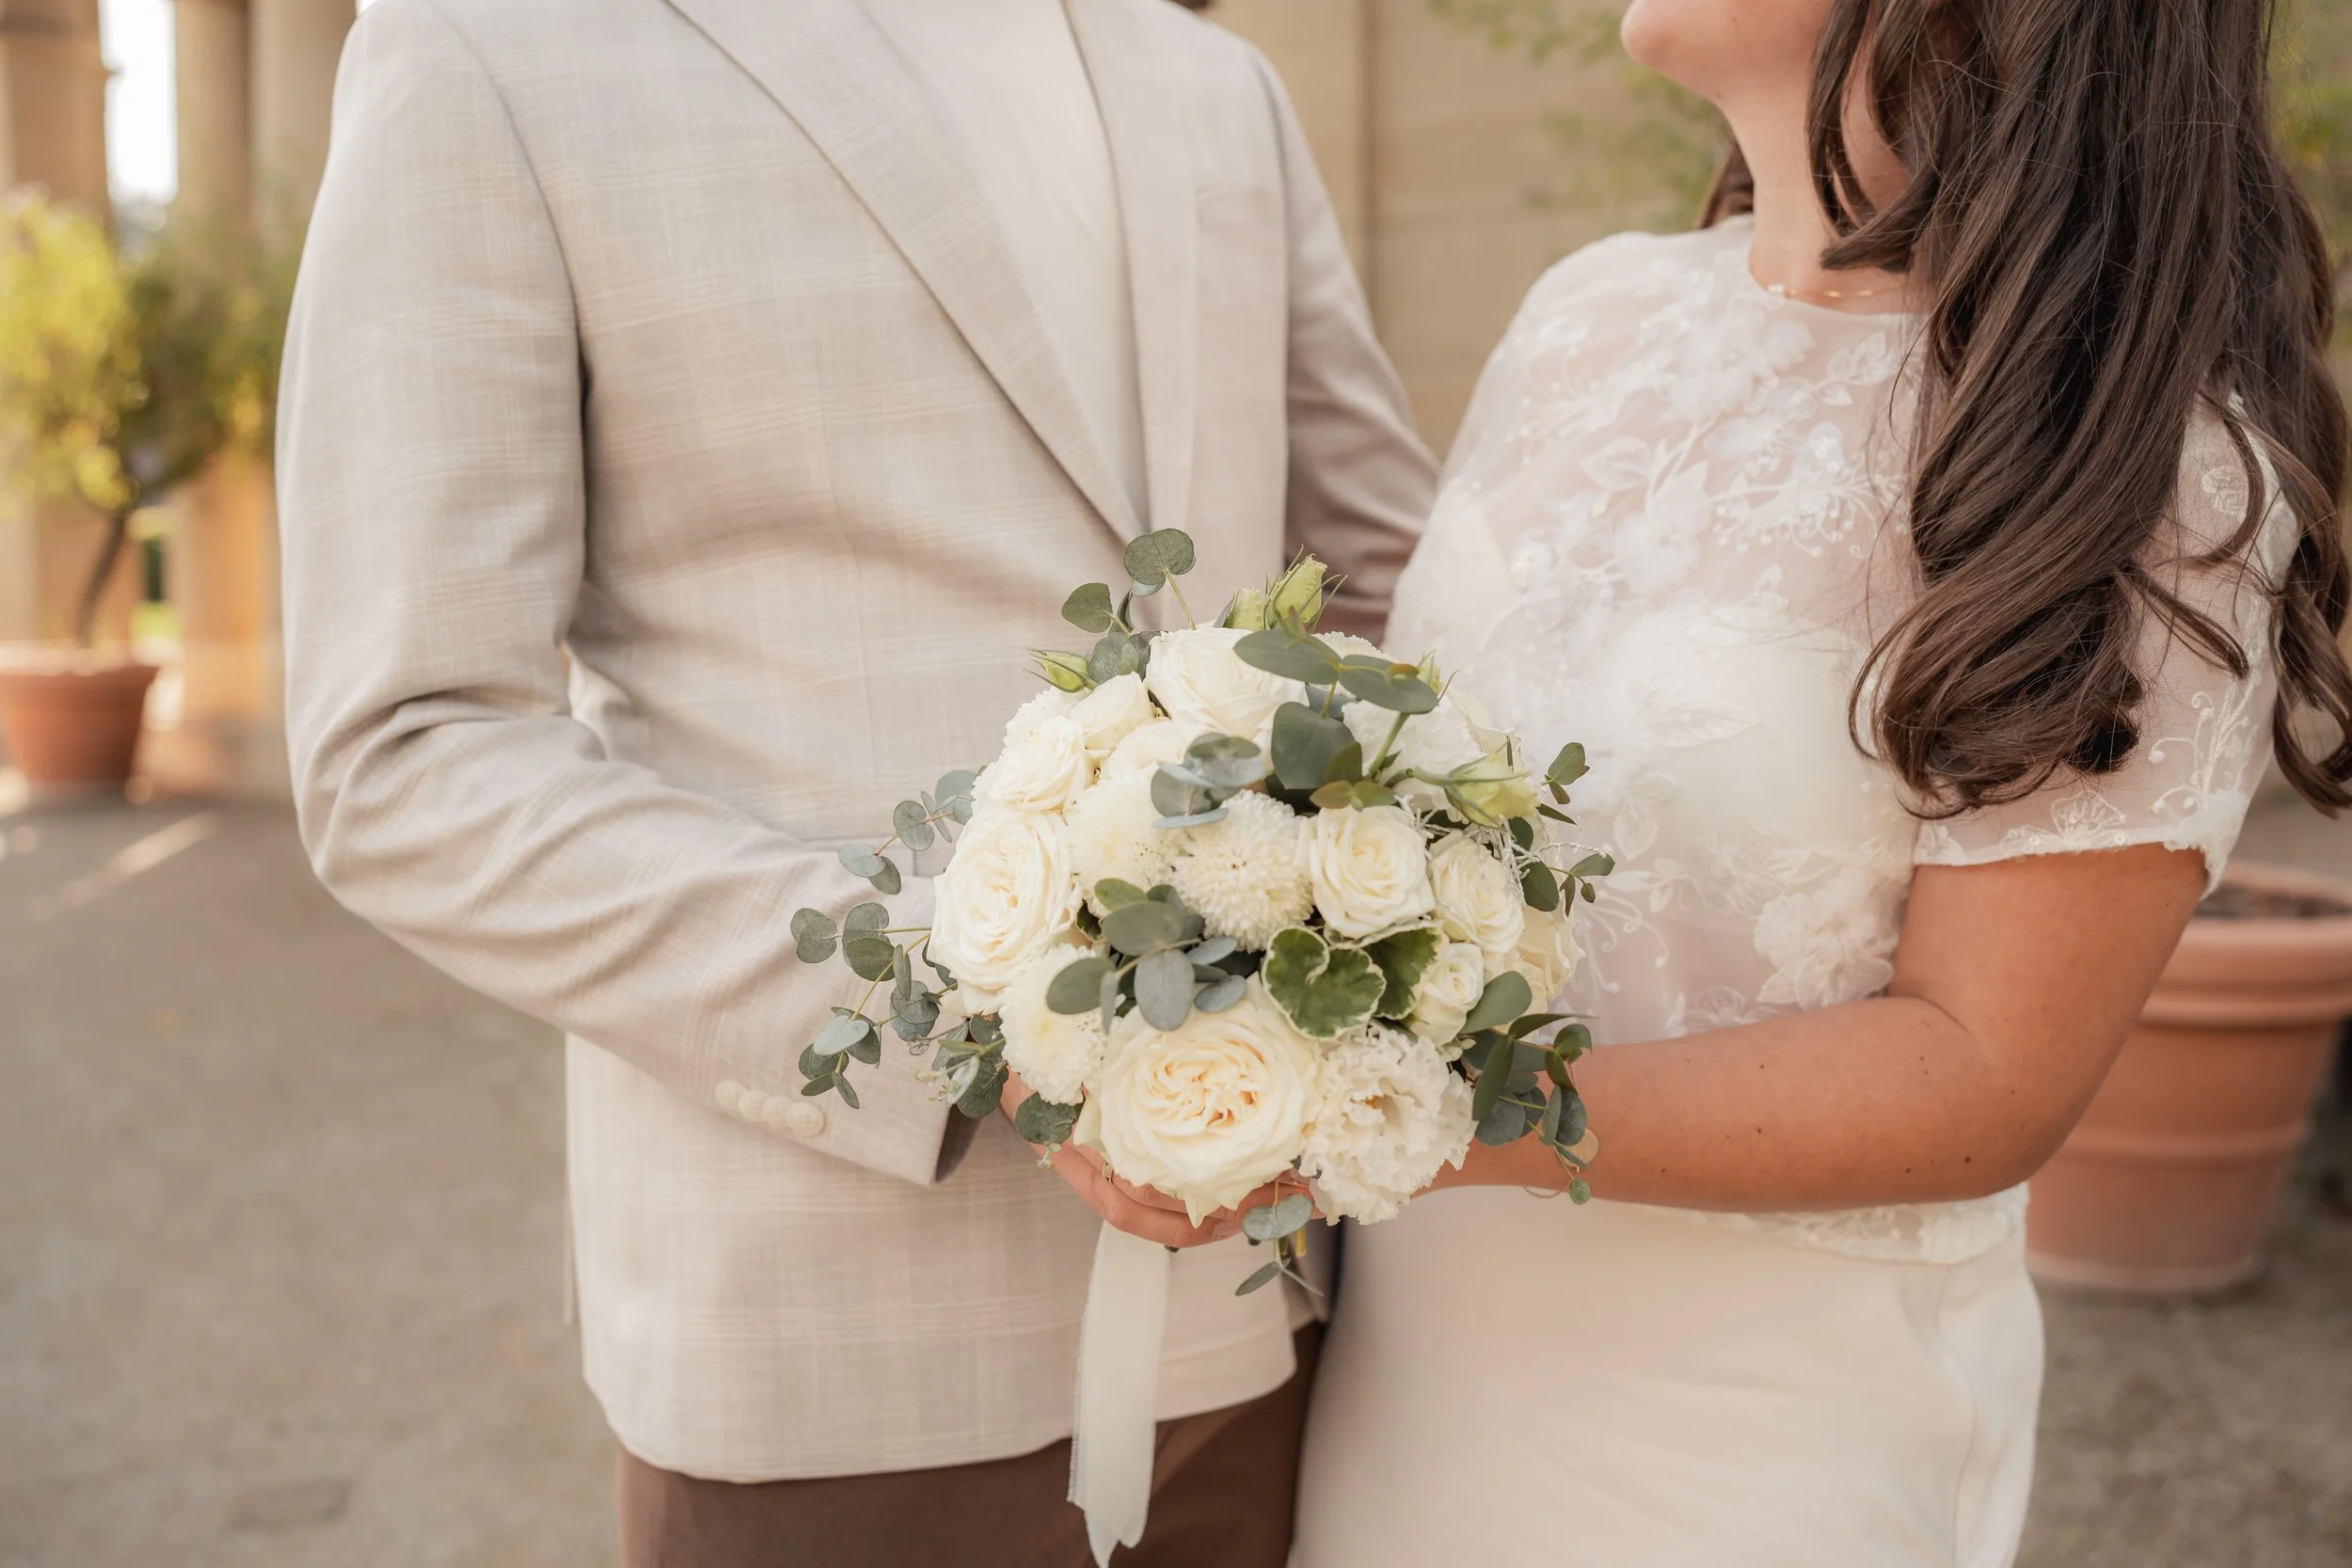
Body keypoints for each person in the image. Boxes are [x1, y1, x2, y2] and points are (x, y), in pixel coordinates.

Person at [273, 0, 1433, 1563]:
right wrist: (973, 1005)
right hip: (839, 1357)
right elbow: (405, 752)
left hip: (1273, 1314)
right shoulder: (490, 47)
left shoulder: (1216, 83)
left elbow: (1373, 590)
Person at [1295, 0, 2352, 1562]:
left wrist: (1404, 1115)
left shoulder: (2141, 463)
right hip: (1405, 1360)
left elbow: (1982, 1076)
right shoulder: (1581, 316)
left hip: (1751, 1441)